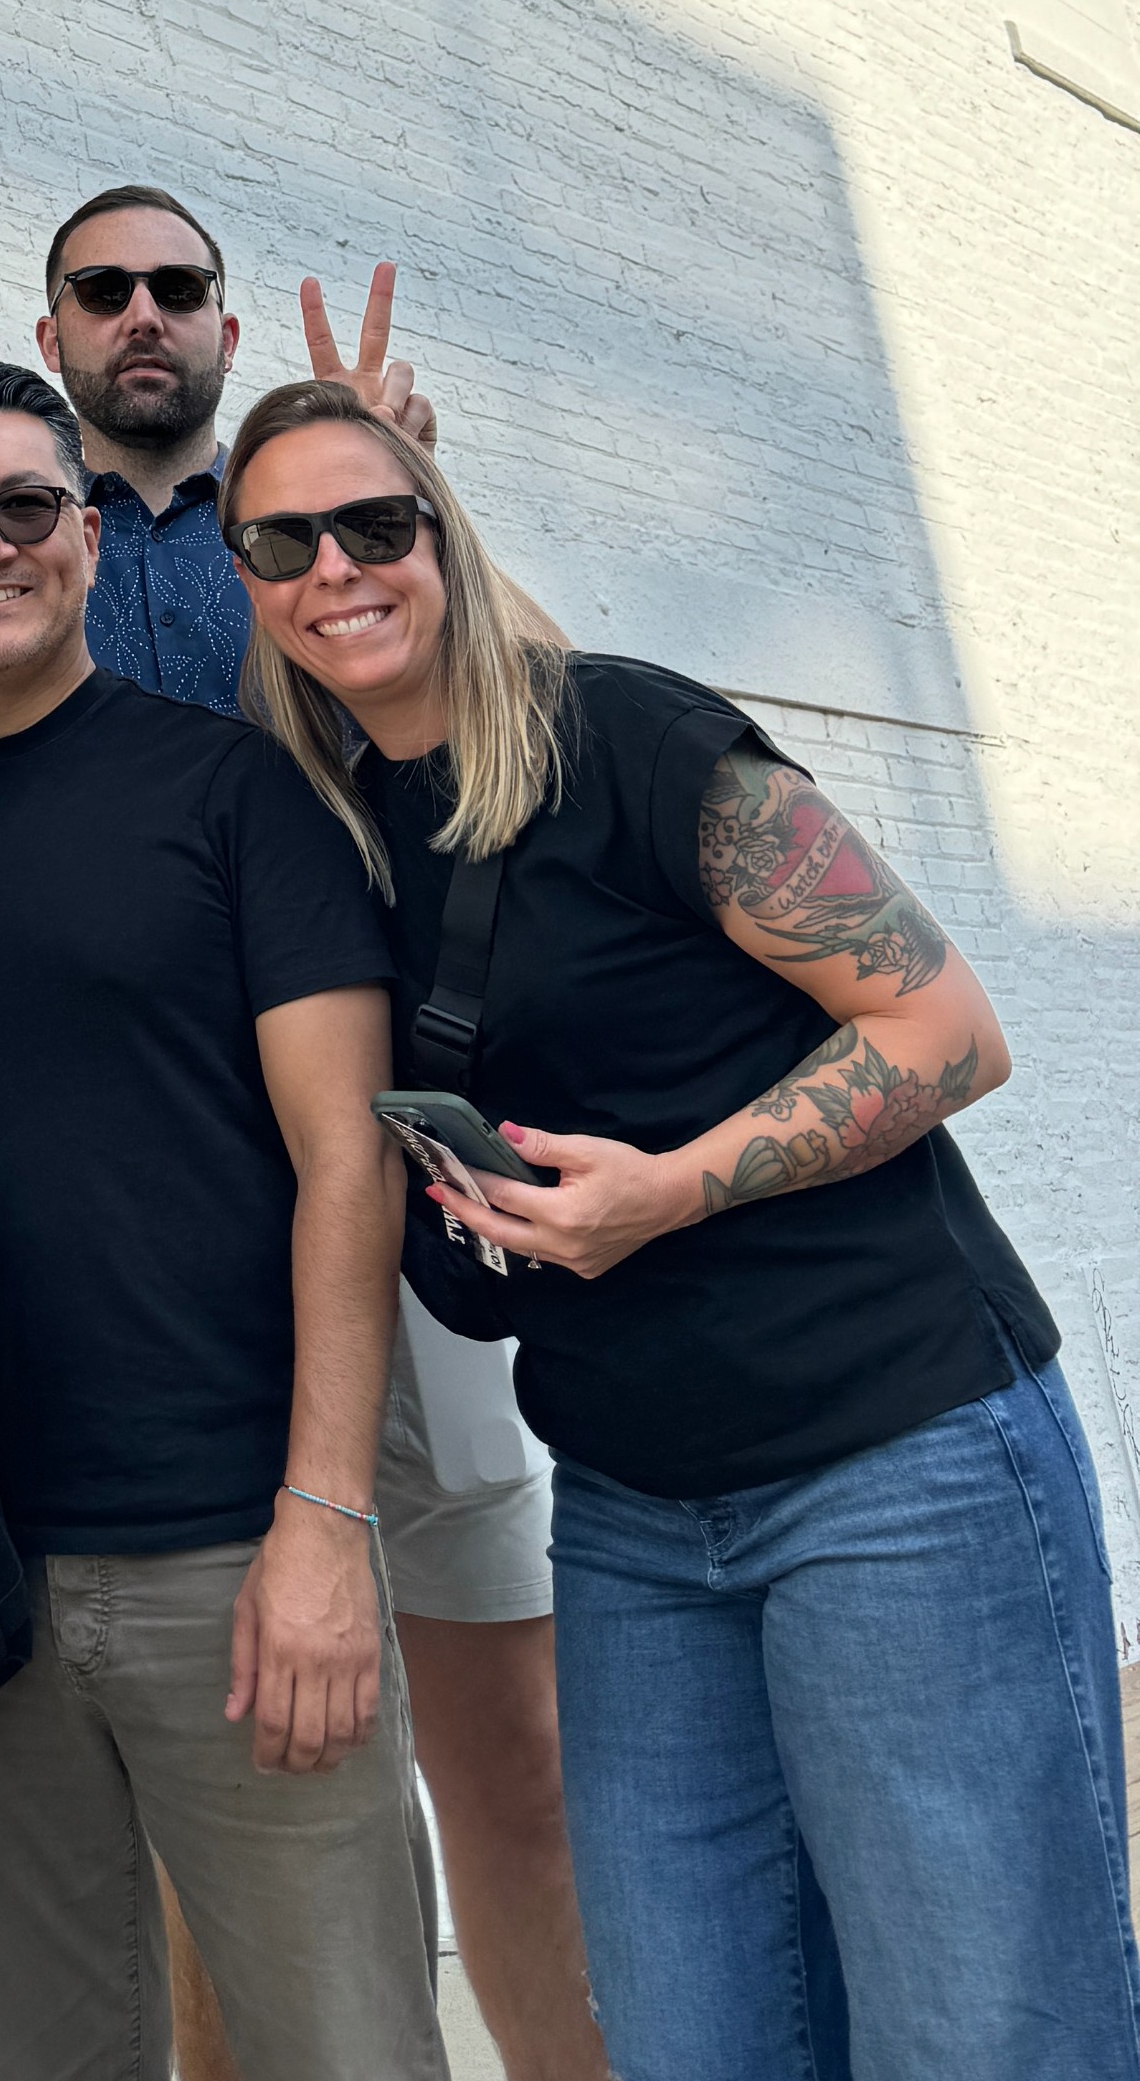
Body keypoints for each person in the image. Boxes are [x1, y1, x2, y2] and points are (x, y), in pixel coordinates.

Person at [223, 373, 1140, 2081]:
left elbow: (949, 1033)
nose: (337, 566)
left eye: (376, 522)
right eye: (286, 540)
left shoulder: (636, 741)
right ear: (250, 586)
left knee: (981, 2025)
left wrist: (676, 1186)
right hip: (639, 1513)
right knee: (691, 2035)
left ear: (444, 537)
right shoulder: (338, 836)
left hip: (897, 1460)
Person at [0, 191, 607, 2081]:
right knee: (171, 1822)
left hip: (362, 1202)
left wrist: (404, 490)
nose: (141, 316)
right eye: (99, 292)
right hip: (86, 1324)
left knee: (487, 1745)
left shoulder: (294, 540)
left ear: (226, 325)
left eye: (179, 286)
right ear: (60, 324)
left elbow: (539, 713)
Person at [0, 352, 446, 2081]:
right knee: (43, 2057)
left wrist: (328, 1522)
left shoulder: (236, 791)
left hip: (241, 1553)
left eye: (29, 505)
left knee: (343, 2051)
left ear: (95, 537)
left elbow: (355, 1162)